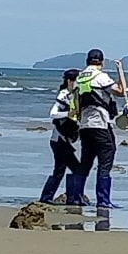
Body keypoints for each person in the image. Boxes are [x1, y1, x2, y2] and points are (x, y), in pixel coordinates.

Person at [71, 49, 125, 208]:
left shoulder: (79, 78)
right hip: (101, 124)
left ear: (87, 61)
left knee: (85, 162)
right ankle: (103, 201)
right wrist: (120, 71)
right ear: (102, 62)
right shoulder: (101, 77)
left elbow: (76, 102)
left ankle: (76, 197)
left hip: (85, 126)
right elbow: (121, 92)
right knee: (105, 160)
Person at [39, 69, 81, 204]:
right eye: (76, 81)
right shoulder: (64, 95)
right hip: (58, 140)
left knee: (62, 169)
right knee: (71, 169)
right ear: (69, 81)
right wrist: (68, 113)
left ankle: (52, 197)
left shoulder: (77, 95)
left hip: (65, 141)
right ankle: (70, 198)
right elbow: (52, 113)